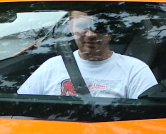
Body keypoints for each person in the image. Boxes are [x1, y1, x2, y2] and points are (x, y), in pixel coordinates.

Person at [19, 11, 158, 99]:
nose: (91, 34)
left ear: (111, 28)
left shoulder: (135, 70)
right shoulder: (51, 67)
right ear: (70, 28)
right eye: (82, 26)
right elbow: (20, 111)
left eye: (98, 26)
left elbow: (148, 121)